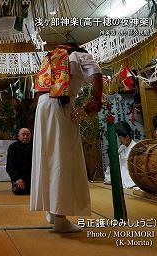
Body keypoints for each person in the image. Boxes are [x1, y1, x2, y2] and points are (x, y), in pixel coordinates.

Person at [30, 42, 103, 233]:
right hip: (60, 106)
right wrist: (96, 99)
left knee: (47, 156)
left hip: (42, 107)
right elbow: (96, 72)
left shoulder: (49, 58)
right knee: (63, 158)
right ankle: (60, 217)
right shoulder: (79, 55)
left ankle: (52, 211)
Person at [104, 121, 136, 188]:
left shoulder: (135, 148)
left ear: (127, 137)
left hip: (130, 178)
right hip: (122, 176)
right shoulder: (122, 147)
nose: (119, 140)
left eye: (120, 138)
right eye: (119, 138)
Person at [6, 128, 33, 195]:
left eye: (28, 134)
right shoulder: (13, 147)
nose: (25, 137)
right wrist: (17, 178)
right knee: (19, 191)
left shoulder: (34, 146)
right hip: (19, 176)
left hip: (32, 176)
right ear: (18, 136)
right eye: (23, 135)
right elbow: (10, 165)